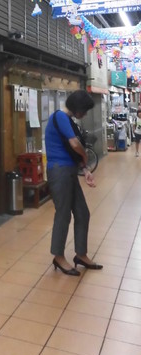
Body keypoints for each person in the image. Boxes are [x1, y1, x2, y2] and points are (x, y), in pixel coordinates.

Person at [45, 90, 102, 276]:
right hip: (59, 171)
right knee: (63, 213)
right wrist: (85, 157)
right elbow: (75, 145)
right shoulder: (60, 116)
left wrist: (85, 170)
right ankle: (58, 256)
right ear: (78, 108)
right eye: (84, 110)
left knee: (82, 212)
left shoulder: (68, 120)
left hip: (69, 171)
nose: (85, 114)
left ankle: (81, 254)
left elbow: (72, 151)